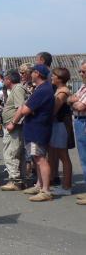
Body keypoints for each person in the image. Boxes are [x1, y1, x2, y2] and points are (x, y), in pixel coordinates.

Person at [8, 64, 55, 202]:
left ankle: (46, 190)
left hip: (37, 130)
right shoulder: (42, 88)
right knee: (36, 158)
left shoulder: (42, 90)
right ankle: (40, 185)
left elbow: (25, 109)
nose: (30, 74)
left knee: (40, 158)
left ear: (38, 73)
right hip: (34, 128)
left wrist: (16, 119)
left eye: (32, 71)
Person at [0, 69, 27, 191]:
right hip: (14, 126)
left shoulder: (18, 89)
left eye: (4, 79)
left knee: (11, 153)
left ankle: (15, 180)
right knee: (16, 152)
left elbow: (21, 107)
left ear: (8, 80)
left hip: (14, 127)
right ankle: (19, 179)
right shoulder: (15, 89)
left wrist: (13, 122)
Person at [49, 68, 73, 196]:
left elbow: (54, 109)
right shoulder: (59, 90)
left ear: (60, 78)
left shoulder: (62, 91)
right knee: (60, 154)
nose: (52, 77)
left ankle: (67, 186)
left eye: (54, 75)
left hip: (61, 124)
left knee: (64, 156)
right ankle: (65, 185)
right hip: (58, 124)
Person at [68, 59, 86, 205]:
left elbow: (79, 105)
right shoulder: (83, 87)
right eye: (80, 71)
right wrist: (73, 101)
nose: (81, 74)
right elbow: (70, 98)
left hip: (84, 121)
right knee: (83, 158)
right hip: (80, 121)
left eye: (84, 71)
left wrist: (73, 102)